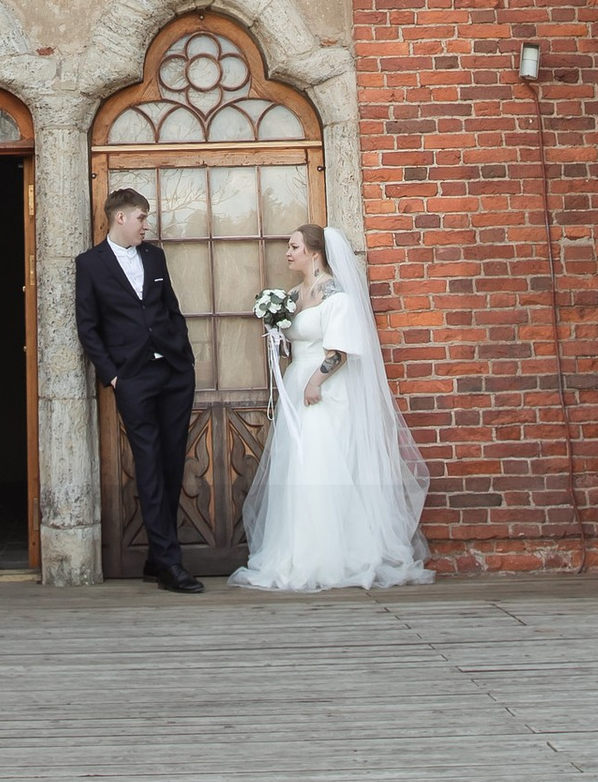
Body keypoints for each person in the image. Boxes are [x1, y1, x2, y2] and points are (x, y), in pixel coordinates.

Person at [229, 222, 430, 594]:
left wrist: (315, 383)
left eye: (294, 247)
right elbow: (294, 339)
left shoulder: (336, 294)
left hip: (324, 390)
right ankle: (299, 551)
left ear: (314, 252)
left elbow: (339, 350)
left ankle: (336, 555)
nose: (288, 253)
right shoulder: (294, 294)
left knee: (321, 467)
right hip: (297, 388)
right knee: (297, 472)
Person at [72, 186, 202, 592]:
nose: (147, 224)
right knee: (147, 464)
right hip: (133, 379)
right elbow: (87, 327)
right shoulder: (89, 264)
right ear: (121, 219)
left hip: (175, 373)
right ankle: (169, 563)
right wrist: (113, 376)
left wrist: (185, 356)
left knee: (171, 463)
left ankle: (155, 557)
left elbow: (170, 308)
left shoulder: (154, 255)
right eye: (141, 218)